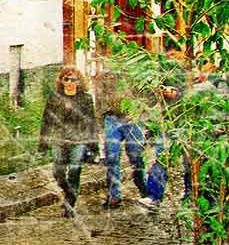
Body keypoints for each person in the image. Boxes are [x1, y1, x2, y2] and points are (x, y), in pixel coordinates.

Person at [39, 66, 100, 218]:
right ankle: (68, 192)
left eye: (73, 79)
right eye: (66, 79)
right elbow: (46, 120)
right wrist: (43, 142)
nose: (70, 82)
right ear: (62, 80)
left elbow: (91, 122)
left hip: (78, 140)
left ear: (79, 81)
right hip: (59, 139)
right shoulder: (54, 97)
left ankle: (70, 203)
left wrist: (94, 146)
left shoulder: (85, 98)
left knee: (74, 170)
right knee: (58, 172)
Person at [94, 69, 150, 209]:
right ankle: (114, 194)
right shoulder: (104, 76)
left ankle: (143, 186)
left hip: (133, 119)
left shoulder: (135, 72)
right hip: (112, 119)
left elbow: (145, 97)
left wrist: (141, 115)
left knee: (136, 157)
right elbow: (99, 99)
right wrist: (100, 122)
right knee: (112, 157)